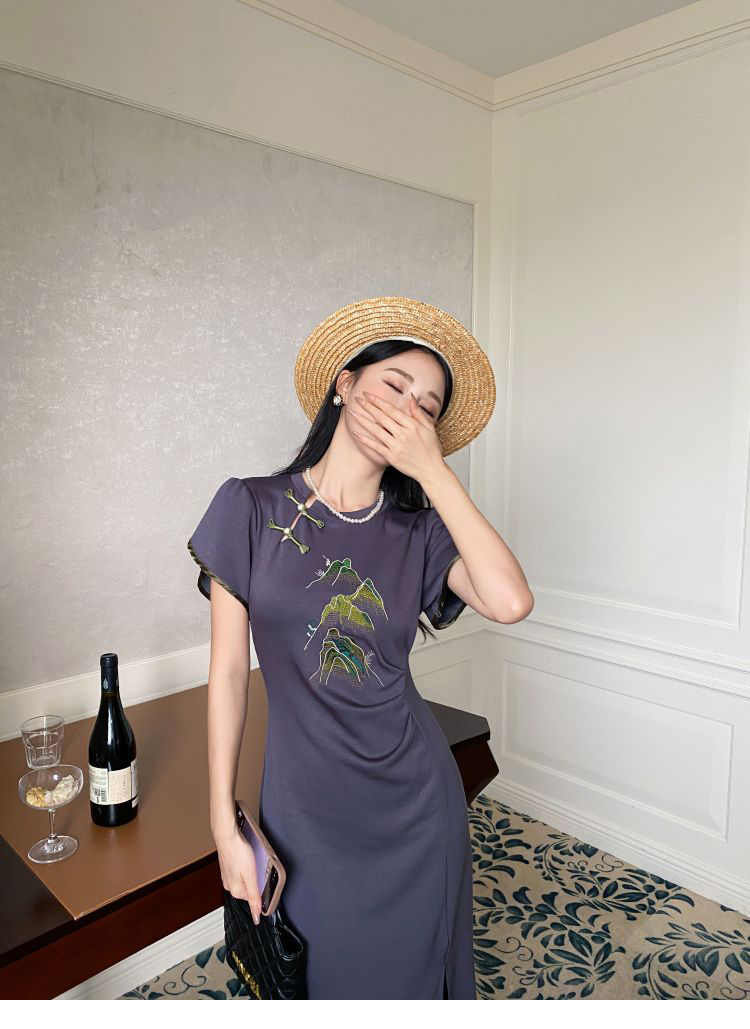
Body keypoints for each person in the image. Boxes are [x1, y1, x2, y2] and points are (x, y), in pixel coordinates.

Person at [187, 296, 534, 999]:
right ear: (344, 384)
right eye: (395, 386)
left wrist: (435, 474)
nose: (409, 412)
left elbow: (510, 601)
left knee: (413, 981)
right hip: (304, 808)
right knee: (321, 978)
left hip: (415, 800)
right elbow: (227, 677)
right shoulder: (249, 508)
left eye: (427, 408)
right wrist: (224, 824)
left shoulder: (420, 530)